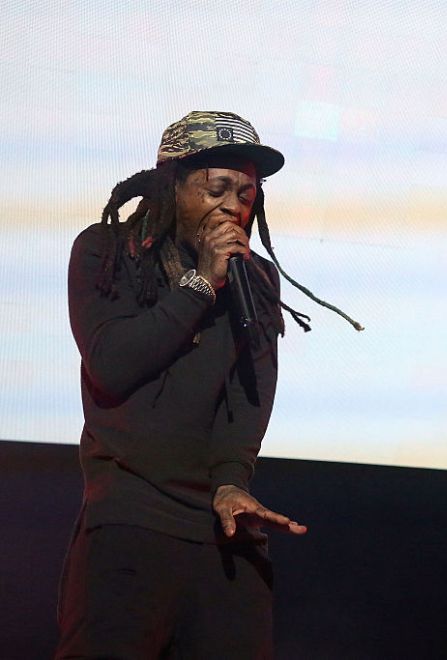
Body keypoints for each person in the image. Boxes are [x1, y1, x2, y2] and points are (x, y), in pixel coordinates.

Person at [57, 110, 359, 658]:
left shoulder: (256, 279)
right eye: (217, 188)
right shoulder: (107, 253)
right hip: (131, 516)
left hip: (221, 522)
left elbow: (250, 395)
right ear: (172, 186)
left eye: (247, 192)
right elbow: (112, 364)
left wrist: (231, 479)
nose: (234, 205)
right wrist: (200, 283)